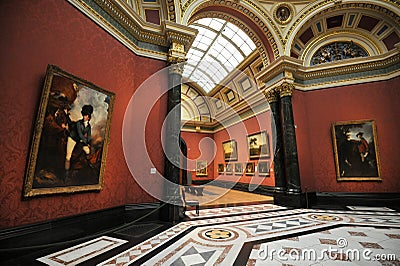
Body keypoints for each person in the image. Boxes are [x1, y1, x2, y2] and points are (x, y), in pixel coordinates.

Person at [65, 105, 93, 171]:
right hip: (72, 138)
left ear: (89, 117)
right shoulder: (78, 123)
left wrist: (89, 143)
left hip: (80, 140)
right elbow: (80, 134)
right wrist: (86, 142)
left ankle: (88, 164)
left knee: (88, 151)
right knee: (68, 156)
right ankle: (66, 173)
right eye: (84, 115)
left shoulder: (89, 126)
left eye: (86, 115)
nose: (84, 117)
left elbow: (89, 136)